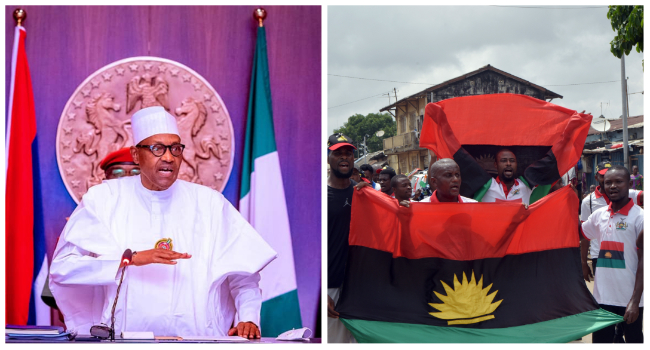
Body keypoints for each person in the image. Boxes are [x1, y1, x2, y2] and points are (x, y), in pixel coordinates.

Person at [49, 106, 276, 338]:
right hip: (126, 341)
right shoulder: (104, 199)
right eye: (157, 148)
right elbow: (63, 269)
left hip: (198, 341)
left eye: (175, 148)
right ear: (136, 155)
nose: (168, 157)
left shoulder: (210, 204)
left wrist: (248, 317)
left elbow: (243, 274)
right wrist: (130, 260)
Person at [581, 166, 644, 343]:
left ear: (629, 184)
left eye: (618, 182)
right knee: (601, 343)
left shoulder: (640, 218)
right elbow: (579, 234)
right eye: (608, 182)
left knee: (633, 341)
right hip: (602, 300)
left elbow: (644, 262)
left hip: (630, 300)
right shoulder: (598, 215)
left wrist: (635, 301)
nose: (613, 186)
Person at [580, 161, 643, 283]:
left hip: (627, 254)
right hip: (599, 254)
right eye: (604, 177)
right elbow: (584, 234)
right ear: (596, 177)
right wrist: (583, 262)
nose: (611, 184)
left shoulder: (626, 194)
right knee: (604, 289)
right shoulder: (589, 202)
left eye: (618, 181)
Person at [326, 133, 357, 343]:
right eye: (338, 153)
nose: (344, 157)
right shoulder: (318, 195)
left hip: (359, 285)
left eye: (348, 153)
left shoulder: (363, 193)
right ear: (329, 157)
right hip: (331, 287)